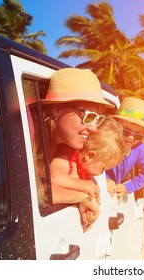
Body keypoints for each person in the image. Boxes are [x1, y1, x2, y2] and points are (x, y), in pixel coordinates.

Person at [38, 68, 114, 218]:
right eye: (89, 116)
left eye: (97, 120)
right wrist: (84, 197)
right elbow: (39, 195)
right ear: (56, 110)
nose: (94, 129)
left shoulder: (60, 146)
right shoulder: (32, 140)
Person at [50, 116, 125, 231]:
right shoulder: (66, 155)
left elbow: (87, 187)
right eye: (103, 168)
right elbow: (55, 177)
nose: (102, 173)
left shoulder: (84, 170)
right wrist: (85, 186)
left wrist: (92, 197)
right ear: (90, 156)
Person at [106, 97, 144, 201]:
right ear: (116, 124)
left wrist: (128, 187)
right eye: (126, 131)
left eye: (138, 135)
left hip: (112, 194)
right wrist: (104, 180)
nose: (131, 138)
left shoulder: (141, 149)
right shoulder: (105, 138)